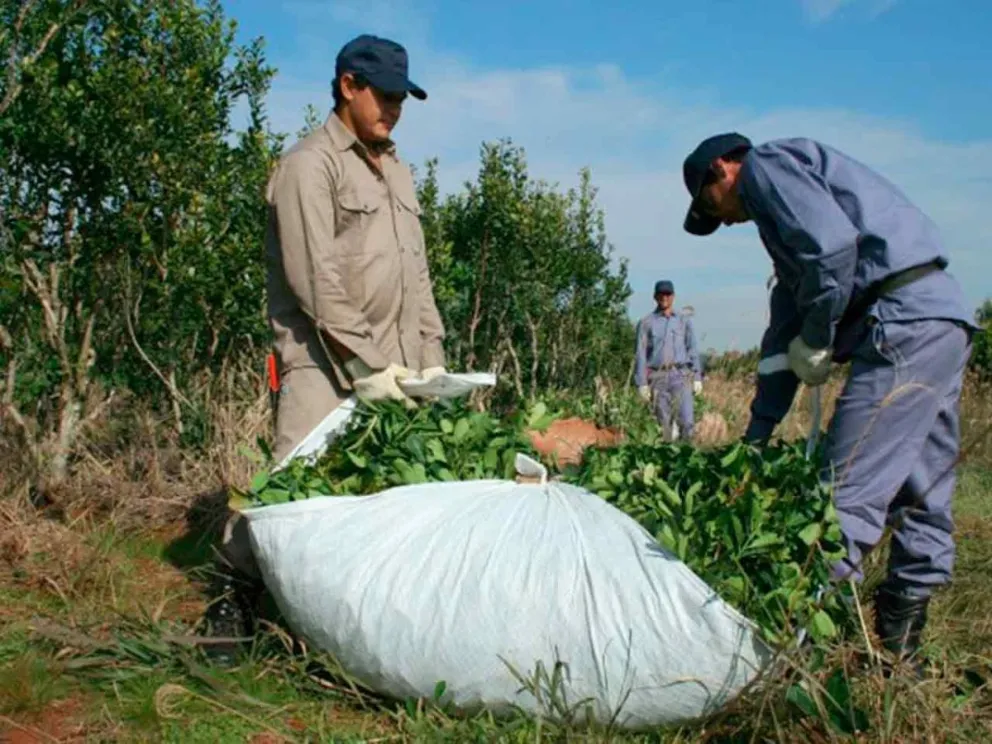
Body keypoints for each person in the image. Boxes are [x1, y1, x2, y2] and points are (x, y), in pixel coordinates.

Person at [680, 132, 977, 669]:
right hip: (941, 319)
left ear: (723, 168)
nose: (723, 220)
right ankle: (899, 657)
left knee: (846, 493)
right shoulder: (787, 227)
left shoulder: (766, 166)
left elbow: (833, 249)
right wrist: (756, 435)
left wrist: (819, 334)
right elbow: (780, 340)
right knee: (921, 489)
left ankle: (799, 660)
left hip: (900, 321)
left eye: (710, 206)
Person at [201, 34, 448, 658]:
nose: (394, 110)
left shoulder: (397, 169)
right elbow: (317, 281)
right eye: (385, 96)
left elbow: (415, 275)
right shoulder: (309, 165)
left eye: (402, 100)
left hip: (393, 366)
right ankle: (230, 596)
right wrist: (365, 366)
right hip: (322, 363)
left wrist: (431, 358)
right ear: (347, 86)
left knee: (385, 495)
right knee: (291, 491)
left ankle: (336, 620)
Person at [633, 280, 703, 441]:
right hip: (657, 377)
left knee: (687, 422)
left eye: (668, 294)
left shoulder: (683, 321)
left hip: (681, 375)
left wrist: (697, 377)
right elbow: (640, 354)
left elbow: (692, 349)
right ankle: (667, 458)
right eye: (661, 294)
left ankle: (686, 455)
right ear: (655, 296)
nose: (664, 297)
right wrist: (642, 383)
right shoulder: (645, 323)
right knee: (665, 425)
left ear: (673, 296)